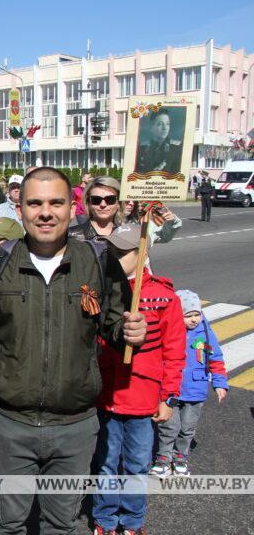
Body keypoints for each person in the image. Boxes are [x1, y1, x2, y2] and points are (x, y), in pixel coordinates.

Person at [0, 167, 147, 535]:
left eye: (56, 202)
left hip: (75, 426)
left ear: (73, 207)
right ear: (19, 209)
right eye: (35, 203)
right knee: (5, 525)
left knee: (60, 525)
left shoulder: (98, 262)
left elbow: (117, 326)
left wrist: (131, 332)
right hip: (10, 423)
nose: (45, 212)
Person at [92, 224, 186, 535]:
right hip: (105, 395)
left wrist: (167, 396)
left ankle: (131, 521)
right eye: (111, 251)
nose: (113, 258)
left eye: (121, 252)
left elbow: (174, 351)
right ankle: (104, 520)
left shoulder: (163, 297)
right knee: (105, 463)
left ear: (142, 252)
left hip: (143, 399)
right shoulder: (100, 289)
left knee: (135, 466)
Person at [152, 289, 228, 478]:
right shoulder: (169, 330)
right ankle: (163, 458)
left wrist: (219, 383)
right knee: (169, 426)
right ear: (178, 315)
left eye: (197, 314)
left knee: (187, 428)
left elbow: (215, 358)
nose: (194, 319)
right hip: (171, 389)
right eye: (188, 315)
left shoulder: (205, 332)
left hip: (196, 388)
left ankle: (180, 458)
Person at [68, 175, 123, 242]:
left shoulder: (127, 235)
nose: (103, 204)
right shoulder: (70, 236)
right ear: (88, 203)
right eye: (96, 199)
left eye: (110, 199)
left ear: (119, 203)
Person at [136, 109, 182, 174]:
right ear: (151, 127)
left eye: (167, 124)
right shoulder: (142, 147)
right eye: (160, 124)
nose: (165, 128)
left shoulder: (176, 147)